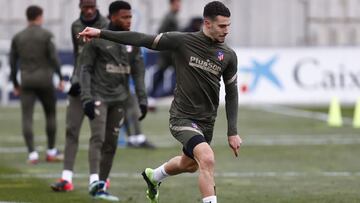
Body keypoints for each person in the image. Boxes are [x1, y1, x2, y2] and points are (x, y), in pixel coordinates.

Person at [79, 1, 242, 203]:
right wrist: (101, 33)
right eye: (222, 26)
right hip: (182, 117)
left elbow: (232, 93)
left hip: (206, 122)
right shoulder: (182, 41)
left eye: (228, 25)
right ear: (207, 23)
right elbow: (141, 39)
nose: (227, 30)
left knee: (189, 164)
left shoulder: (228, 56)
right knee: (207, 158)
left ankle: (153, 176)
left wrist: (232, 131)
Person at [80, 1, 148, 201]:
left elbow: (139, 72)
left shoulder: (133, 42)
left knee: (111, 144)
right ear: (112, 17)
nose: (129, 21)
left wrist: (142, 99)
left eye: (130, 17)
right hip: (99, 97)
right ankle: (93, 180)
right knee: (98, 138)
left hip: (120, 100)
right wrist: (86, 98)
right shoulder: (96, 39)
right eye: (124, 17)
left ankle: (100, 186)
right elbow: (85, 69)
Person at [50, 0, 108, 192]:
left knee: (97, 136)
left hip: (98, 87)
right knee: (71, 131)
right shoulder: (75, 25)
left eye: (92, 7)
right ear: (80, 8)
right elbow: (78, 56)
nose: (89, 10)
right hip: (79, 86)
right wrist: (75, 80)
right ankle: (66, 178)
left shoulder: (106, 26)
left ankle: (95, 179)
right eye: (86, 7)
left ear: (97, 7)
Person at [9, 5, 65, 164]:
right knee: (50, 114)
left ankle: (32, 154)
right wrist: (60, 77)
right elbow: (54, 58)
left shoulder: (18, 37)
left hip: (26, 80)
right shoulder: (47, 35)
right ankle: (51, 151)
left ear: (27, 17)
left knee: (27, 117)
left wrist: (15, 83)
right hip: (45, 80)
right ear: (40, 16)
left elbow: (13, 63)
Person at [148, 0, 181, 109]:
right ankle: (151, 97)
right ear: (171, 4)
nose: (179, 6)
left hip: (173, 53)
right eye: (177, 4)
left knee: (180, 75)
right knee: (161, 73)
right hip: (167, 53)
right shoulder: (169, 17)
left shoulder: (174, 17)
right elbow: (161, 32)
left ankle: (179, 99)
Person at [124, 79, 156, 149]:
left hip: (122, 84)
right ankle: (137, 138)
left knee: (127, 110)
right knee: (133, 108)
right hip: (127, 84)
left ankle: (131, 138)